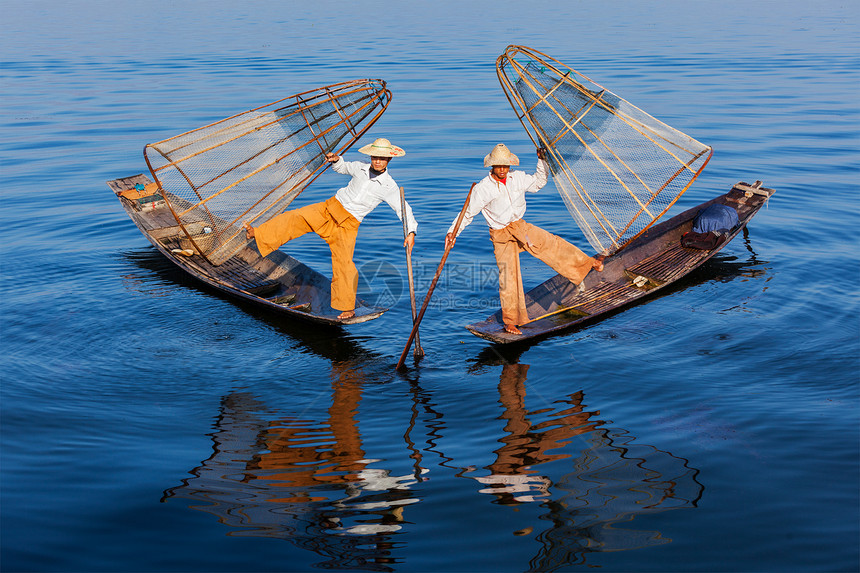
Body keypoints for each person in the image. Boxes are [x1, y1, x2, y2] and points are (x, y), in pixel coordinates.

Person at [245, 138, 417, 320]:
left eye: (382, 158)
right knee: (295, 217)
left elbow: (403, 208)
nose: (377, 161)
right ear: (371, 156)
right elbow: (343, 167)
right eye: (375, 157)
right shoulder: (360, 167)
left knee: (344, 265)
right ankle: (258, 233)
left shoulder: (389, 186)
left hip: (347, 225)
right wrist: (336, 160)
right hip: (329, 208)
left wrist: (410, 232)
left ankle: (347, 308)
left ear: (388, 160)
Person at [445, 143, 603, 335]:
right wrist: (452, 233)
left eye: (505, 166)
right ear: (492, 166)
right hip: (501, 235)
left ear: (509, 165)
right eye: (499, 166)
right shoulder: (483, 189)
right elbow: (467, 214)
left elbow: (538, 182)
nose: (503, 170)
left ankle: (588, 264)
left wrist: (542, 160)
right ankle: (510, 322)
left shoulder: (517, 178)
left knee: (551, 244)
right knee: (508, 276)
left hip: (520, 227)